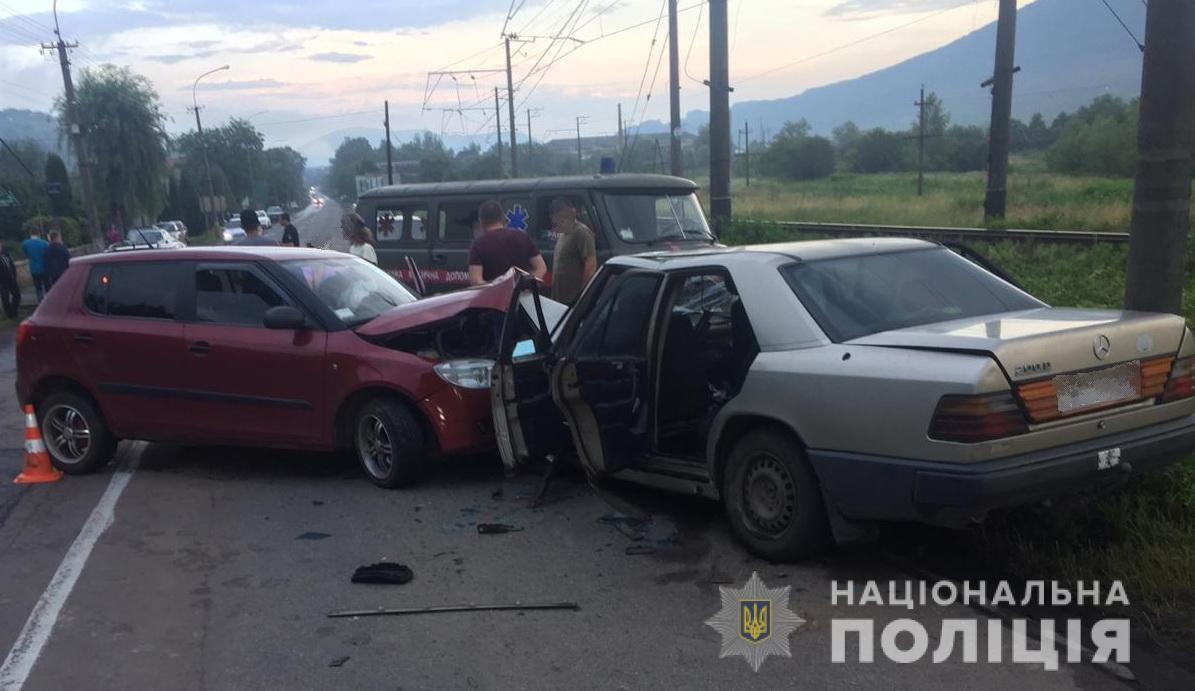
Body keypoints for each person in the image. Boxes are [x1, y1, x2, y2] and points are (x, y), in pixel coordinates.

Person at [467, 200, 546, 285]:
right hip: (522, 296)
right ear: (503, 218)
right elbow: (541, 267)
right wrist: (526, 285)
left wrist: (497, 289)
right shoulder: (522, 237)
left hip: (495, 297)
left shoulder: (478, 245)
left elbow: (476, 281)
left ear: (481, 222)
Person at [548, 197, 597, 305]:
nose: (557, 221)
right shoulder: (562, 234)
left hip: (573, 300)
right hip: (560, 299)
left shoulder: (582, 233)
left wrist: (581, 295)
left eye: (562, 217)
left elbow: (591, 265)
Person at [20, 229, 50, 302]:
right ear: (38, 234)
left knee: (38, 287)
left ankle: (40, 302)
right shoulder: (44, 243)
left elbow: (25, 253)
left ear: (30, 233)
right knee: (47, 286)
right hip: (44, 267)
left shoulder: (25, 243)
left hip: (33, 268)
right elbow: (48, 254)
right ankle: (49, 302)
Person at [0, 242, 20, 319]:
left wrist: (14, 275)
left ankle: (14, 310)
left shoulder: (5, 254)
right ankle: (10, 315)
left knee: (17, 295)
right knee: (5, 298)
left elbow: (12, 265)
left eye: (0, 245)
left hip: (11, 279)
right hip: (2, 281)